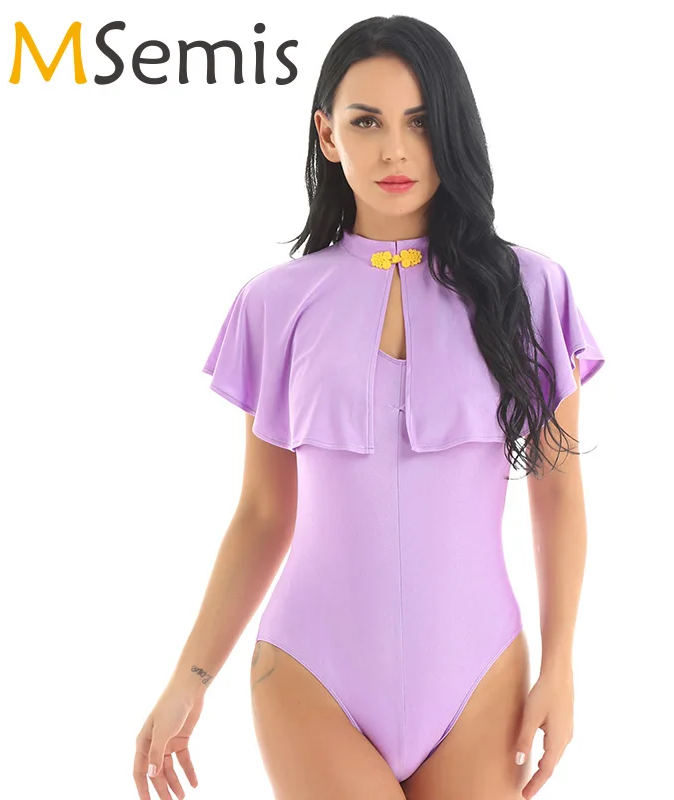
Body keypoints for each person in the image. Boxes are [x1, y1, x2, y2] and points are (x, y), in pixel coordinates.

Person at [133, 14, 605, 800]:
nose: (394, 151)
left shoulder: (529, 290)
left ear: (452, 129)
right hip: (309, 676)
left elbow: (557, 490)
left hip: (482, 676)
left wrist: (560, 667)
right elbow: (263, 512)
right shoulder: (274, 304)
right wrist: (190, 678)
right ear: (327, 134)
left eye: (419, 122)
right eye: (366, 122)